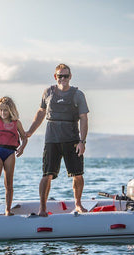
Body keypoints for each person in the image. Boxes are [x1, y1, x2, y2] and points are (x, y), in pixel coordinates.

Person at [26, 64, 89, 217]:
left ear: (70, 77)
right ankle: (42, 208)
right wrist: (29, 132)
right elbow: (41, 112)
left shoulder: (78, 94)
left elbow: (84, 118)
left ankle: (78, 204)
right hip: (52, 139)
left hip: (72, 139)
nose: (63, 79)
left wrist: (82, 141)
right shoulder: (48, 92)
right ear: (55, 77)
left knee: (77, 174)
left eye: (65, 76)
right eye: (60, 76)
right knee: (47, 174)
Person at [0, 96, 27, 218]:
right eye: (1, 110)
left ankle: (8, 209)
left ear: (11, 110)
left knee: (9, 183)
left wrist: (22, 148)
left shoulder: (16, 123)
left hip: (10, 153)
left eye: (6, 110)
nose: (3, 113)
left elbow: (24, 138)